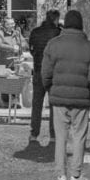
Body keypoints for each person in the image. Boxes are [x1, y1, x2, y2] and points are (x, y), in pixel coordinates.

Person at [40, 10, 90, 180]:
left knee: (60, 137)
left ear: (65, 24)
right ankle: (76, 175)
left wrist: (51, 89)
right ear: (81, 25)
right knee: (79, 137)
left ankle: (60, 176)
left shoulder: (53, 44)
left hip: (59, 97)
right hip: (81, 98)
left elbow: (45, 73)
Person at [27, 9, 61, 144]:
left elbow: (31, 50)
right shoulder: (58, 33)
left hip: (38, 70)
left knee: (37, 104)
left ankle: (34, 134)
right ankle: (53, 135)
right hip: (53, 73)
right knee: (54, 105)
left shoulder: (35, 32)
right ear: (56, 19)